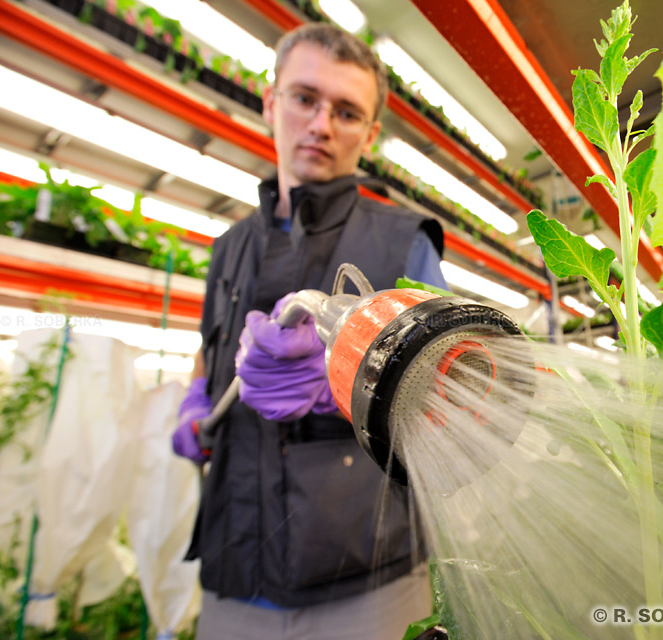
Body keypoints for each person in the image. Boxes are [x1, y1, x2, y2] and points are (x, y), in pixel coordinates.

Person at [171, 22, 446, 640]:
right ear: (271, 103)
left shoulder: (404, 241)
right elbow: (209, 350)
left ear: (370, 134)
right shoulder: (228, 249)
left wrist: (338, 384)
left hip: (365, 574)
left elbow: (455, 379)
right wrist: (193, 402)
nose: (322, 124)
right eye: (304, 99)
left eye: (347, 112)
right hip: (235, 567)